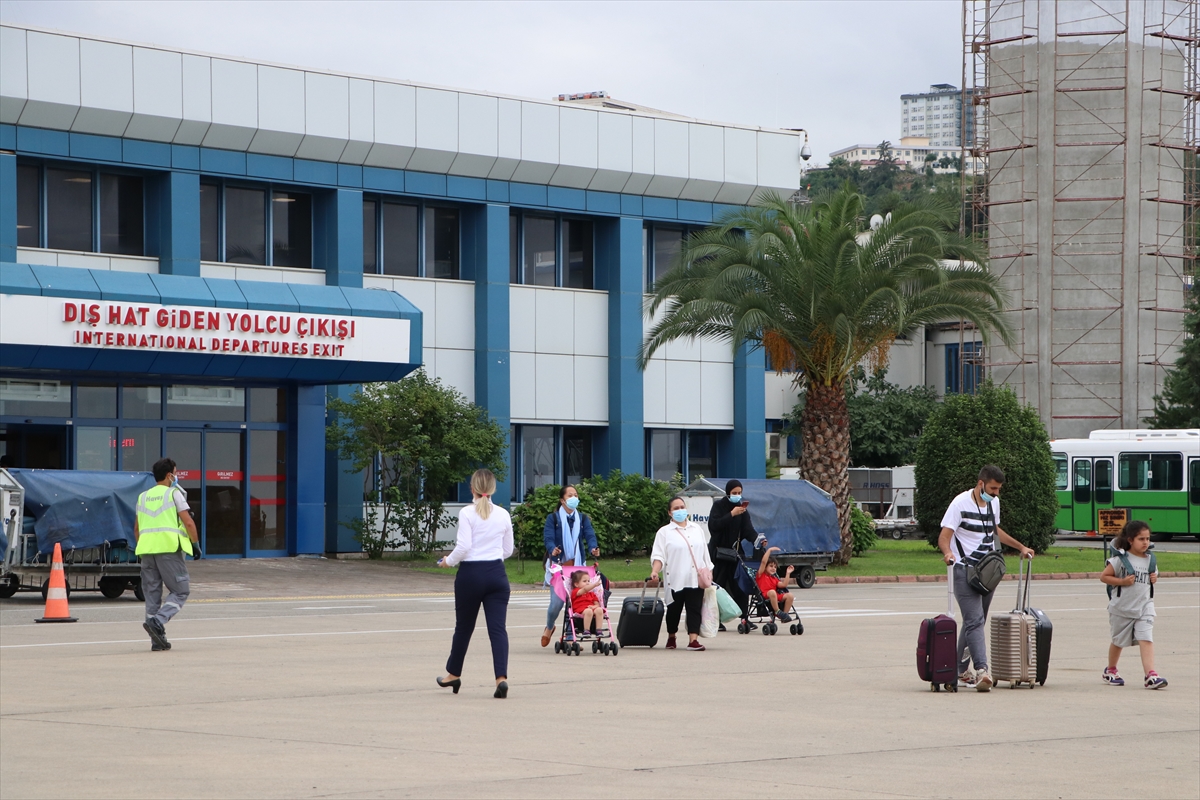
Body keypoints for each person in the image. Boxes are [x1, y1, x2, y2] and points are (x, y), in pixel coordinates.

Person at [938, 464, 1034, 692]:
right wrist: (947, 553)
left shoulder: (993, 503)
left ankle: (959, 669)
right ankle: (982, 670)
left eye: (998, 489)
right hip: (964, 570)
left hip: (988, 572)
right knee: (974, 622)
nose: (996, 493)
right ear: (981, 483)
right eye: (992, 488)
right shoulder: (960, 503)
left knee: (975, 621)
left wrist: (1020, 546)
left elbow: (995, 531)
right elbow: (944, 536)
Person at [436, 469, 513, 698]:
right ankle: (501, 678)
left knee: (464, 627)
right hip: (497, 574)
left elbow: (464, 547)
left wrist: (447, 561)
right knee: (498, 629)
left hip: (471, 574)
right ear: (492, 490)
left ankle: (454, 674)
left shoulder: (467, 513)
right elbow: (507, 550)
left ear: (472, 489)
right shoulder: (503, 514)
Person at [133, 457, 200, 652]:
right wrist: (195, 544)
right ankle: (159, 621)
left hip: (147, 551)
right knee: (180, 591)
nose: (176, 476)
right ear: (170, 475)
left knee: (152, 595)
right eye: (176, 473)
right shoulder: (174, 494)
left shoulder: (142, 496)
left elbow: (136, 528)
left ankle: (156, 641)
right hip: (169, 550)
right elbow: (188, 522)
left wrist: (145, 545)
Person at [1100, 520, 1166, 689]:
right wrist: (1122, 581)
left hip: (1145, 607)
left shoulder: (1151, 560)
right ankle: (1111, 670)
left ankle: (1150, 675)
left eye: (1147, 539)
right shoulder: (1120, 560)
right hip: (1122, 609)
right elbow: (1104, 577)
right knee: (1118, 641)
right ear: (1130, 540)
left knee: (1146, 638)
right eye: (1141, 539)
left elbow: (1153, 577)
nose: (1145, 542)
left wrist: (1154, 578)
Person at [650, 496, 714, 652]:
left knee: (694, 608)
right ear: (670, 513)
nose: (680, 510)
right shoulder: (664, 532)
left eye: (682, 507)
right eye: (676, 508)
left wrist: (709, 573)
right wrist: (655, 571)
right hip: (676, 579)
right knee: (674, 610)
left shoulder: (696, 529)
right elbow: (659, 555)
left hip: (695, 578)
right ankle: (672, 636)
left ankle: (693, 640)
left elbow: (705, 553)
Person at [539, 485, 600, 648]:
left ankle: (569, 636)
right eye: (570, 495)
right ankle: (550, 626)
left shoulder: (582, 518)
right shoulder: (553, 519)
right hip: (558, 566)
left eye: (576, 495)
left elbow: (590, 534)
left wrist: (593, 548)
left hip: (577, 568)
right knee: (557, 604)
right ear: (562, 500)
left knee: (575, 602)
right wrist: (553, 549)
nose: (574, 498)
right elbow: (548, 538)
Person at [707, 479, 759, 630]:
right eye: (734, 493)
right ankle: (716, 620)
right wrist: (731, 514)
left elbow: (748, 529)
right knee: (718, 586)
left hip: (735, 553)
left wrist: (757, 539)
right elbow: (714, 525)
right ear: (728, 492)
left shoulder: (742, 509)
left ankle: (744, 619)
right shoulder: (719, 506)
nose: (737, 496)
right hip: (719, 553)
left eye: (739, 493)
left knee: (741, 585)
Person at [755, 546, 795, 621]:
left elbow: (784, 585)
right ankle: (777, 611)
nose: (773, 568)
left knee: (790, 596)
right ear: (765, 567)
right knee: (772, 592)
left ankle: (784, 615)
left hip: (774, 595)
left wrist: (788, 573)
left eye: (775, 567)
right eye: (771, 566)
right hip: (765, 594)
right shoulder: (761, 575)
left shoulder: (774, 578)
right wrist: (769, 550)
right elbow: (763, 562)